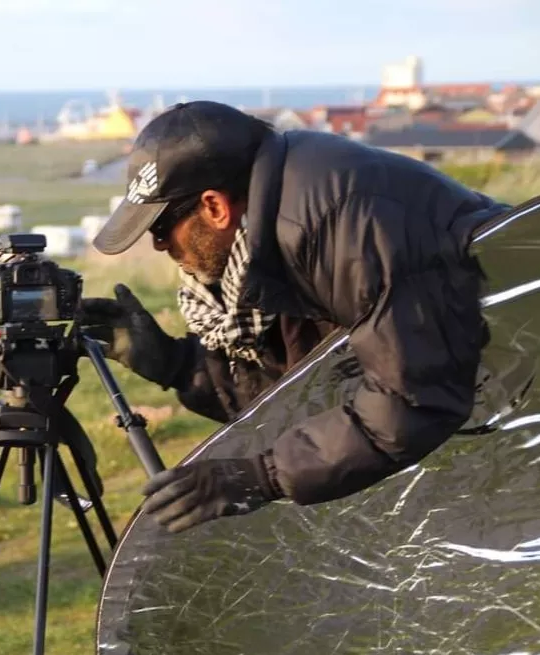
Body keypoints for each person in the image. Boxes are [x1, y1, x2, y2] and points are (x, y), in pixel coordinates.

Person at [84, 100, 510, 535]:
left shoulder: (343, 226)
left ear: (214, 207)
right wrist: (178, 366)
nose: (159, 246)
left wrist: (263, 476)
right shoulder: (270, 234)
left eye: (159, 228)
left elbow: (413, 398)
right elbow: (306, 387)